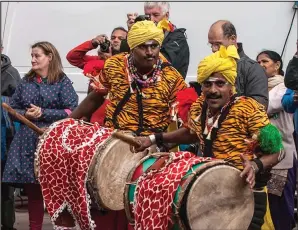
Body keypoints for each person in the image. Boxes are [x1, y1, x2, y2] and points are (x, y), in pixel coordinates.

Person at [134, 45, 282, 230]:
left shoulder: (248, 109)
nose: (213, 90)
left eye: (220, 83)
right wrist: (154, 138)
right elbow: (191, 133)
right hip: (210, 188)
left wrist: (254, 165)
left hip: (245, 194)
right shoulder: (199, 106)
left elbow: (277, 152)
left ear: (231, 86)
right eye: (207, 83)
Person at [69, 20, 187, 229]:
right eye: (143, 46)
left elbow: (190, 117)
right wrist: (67, 124)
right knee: (106, 205)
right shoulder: (114, 66)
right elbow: (95, 98)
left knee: (141, 210)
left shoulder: (172, 77)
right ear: (132, 47)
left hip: (151, 152)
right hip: (114, 146)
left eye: (154, 46)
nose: (150, 52)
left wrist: (163, 140)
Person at [2, 41, 78, 230]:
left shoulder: (62, 81)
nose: (33, 59)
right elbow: (13, 107)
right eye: (32, 56)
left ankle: (62, 226)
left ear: (49, 57)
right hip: (28, 141)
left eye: (37, 56)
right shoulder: (26, 81)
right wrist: (25, 114)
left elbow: (72, 110)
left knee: (57, 189)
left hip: (54, 140)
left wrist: (44, 113)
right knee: (33, 190)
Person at [257, 50, 296, 230]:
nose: (261, 65)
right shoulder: (259, 88)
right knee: (266, 206)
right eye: (258, 62)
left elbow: (267, 105)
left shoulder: (285, 87)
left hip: (283, 158)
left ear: (277, 65)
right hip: (263, 158)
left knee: (280, 207)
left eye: (265, 61)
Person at [66, 27, 128, 125]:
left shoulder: (130, 63)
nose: (116, 40)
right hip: (95, 118)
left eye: (121, 38)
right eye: (113, 37)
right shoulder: (98, 60)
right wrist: (93, 43)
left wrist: (110, 62)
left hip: (118, 119)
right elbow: (72, 57)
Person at [207, 20, 268, 108]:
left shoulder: (253, 69)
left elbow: (260, 106)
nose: (214, 49)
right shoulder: (212, 67)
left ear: (233, 39)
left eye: (218, 44)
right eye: (211, 44)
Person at [126, 2, 190, 79]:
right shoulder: (145, 37)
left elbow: (157, 64)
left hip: (170, 87)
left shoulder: (177, 38)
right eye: (148, 16)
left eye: (155, 15)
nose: (151, 20)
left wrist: (141, 36)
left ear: (166, 15)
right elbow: (127, 60)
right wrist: (133, 33)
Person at [1, 42, 21, 230]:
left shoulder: (11, 73)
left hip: (4, 137)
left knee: (5, 185)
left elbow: (18, 105)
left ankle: (7, 224)